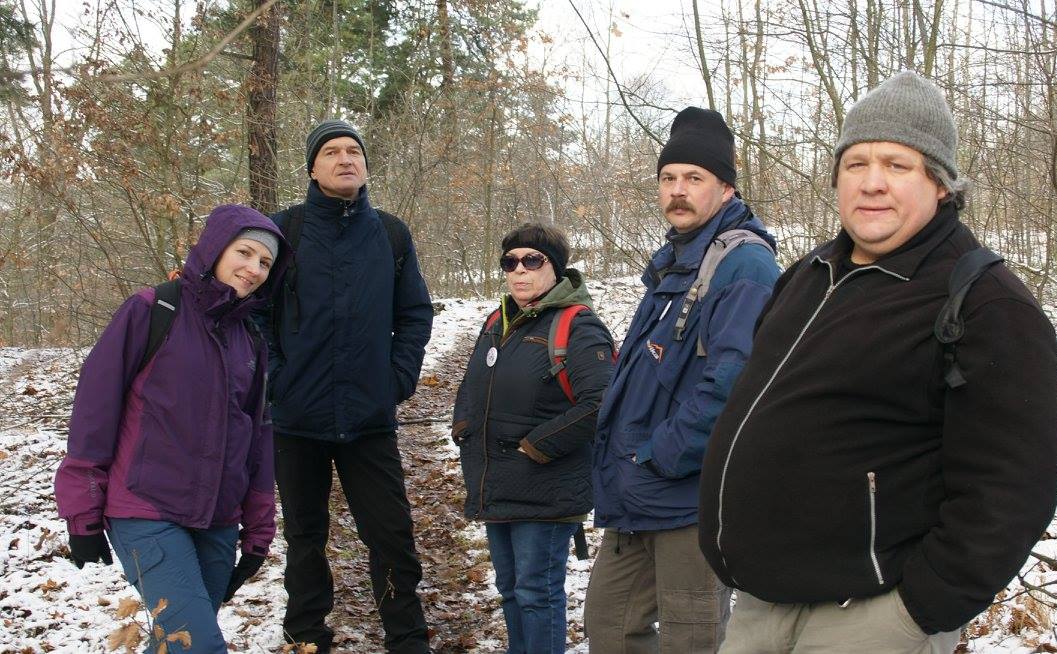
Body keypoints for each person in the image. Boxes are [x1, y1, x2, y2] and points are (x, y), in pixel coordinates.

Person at [698, 71, 1057, 654]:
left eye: (897, 165)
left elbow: (1012, 490)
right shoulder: (809, 275)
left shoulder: (985, 303)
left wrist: (917, 611)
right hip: (762, 604)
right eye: (856, 164)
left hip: (869, 615)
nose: (871, 183)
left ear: (940, 184)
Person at [585, 107, 782, 652]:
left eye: (694, 178)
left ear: (726, 188)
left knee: (690, 640)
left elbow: (735, 383)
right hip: (638, 490)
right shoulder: (675, 262)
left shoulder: (744, 265)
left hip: (687, 495)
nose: (678, 190)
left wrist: (662, 455)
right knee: (609, 626)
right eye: (668, 177)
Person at [55, 204, 287, 653]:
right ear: (215, 248)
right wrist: (82, 511)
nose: (254, 269)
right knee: (197, 646)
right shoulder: (152, 310)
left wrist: (259, 532)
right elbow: (94, 412)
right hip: (146, 509)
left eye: (265, 262)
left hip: (219, 519)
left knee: (173, 645)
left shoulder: (250, 339)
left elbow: (257, 438)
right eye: (244, 252)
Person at [256, 120, 434, 653]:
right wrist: (276, 379)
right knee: (304, 536)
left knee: (391, 534)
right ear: (313, 168)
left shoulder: (391, 234)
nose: (345, 159)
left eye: (353, 150)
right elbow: (255, 314)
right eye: (331, 151)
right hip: (296, 417)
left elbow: (415, 313)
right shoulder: (283, 231)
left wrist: (396, 379)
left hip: (368, 417)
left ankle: (407, 639)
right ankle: (306, 634)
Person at [452, 223, 615, 654]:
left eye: (531, 260)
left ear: (554, 267)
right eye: (510, 262)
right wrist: (463, 428)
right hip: (497, 480)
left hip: (546, 486)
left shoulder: (578, 326)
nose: (519, 270)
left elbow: (601, 402)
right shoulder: (498, 321)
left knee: (536, 594)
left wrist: (536, 446)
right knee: (510, 590)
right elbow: (471, 385)